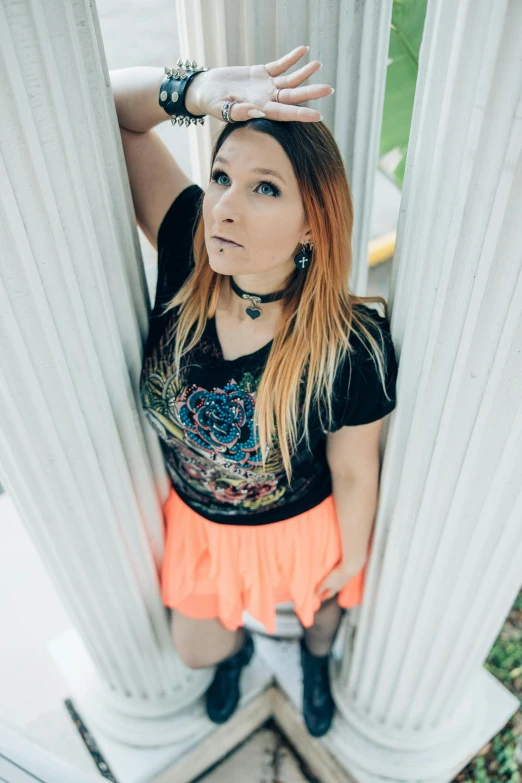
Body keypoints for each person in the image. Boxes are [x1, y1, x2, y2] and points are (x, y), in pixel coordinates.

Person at [110, 45, 398, 738]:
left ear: (311, 223)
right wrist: (201, 90)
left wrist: (352, 555)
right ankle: (238, 652)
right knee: (195, 645)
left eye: (263, 187)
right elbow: (110, 110)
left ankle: (316, 667)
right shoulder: (187, 248)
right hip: (202, 525)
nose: (224, 209)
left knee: (322, 620)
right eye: (220, 177)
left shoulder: (348, 343)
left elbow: (355, 467)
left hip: (299, 525)